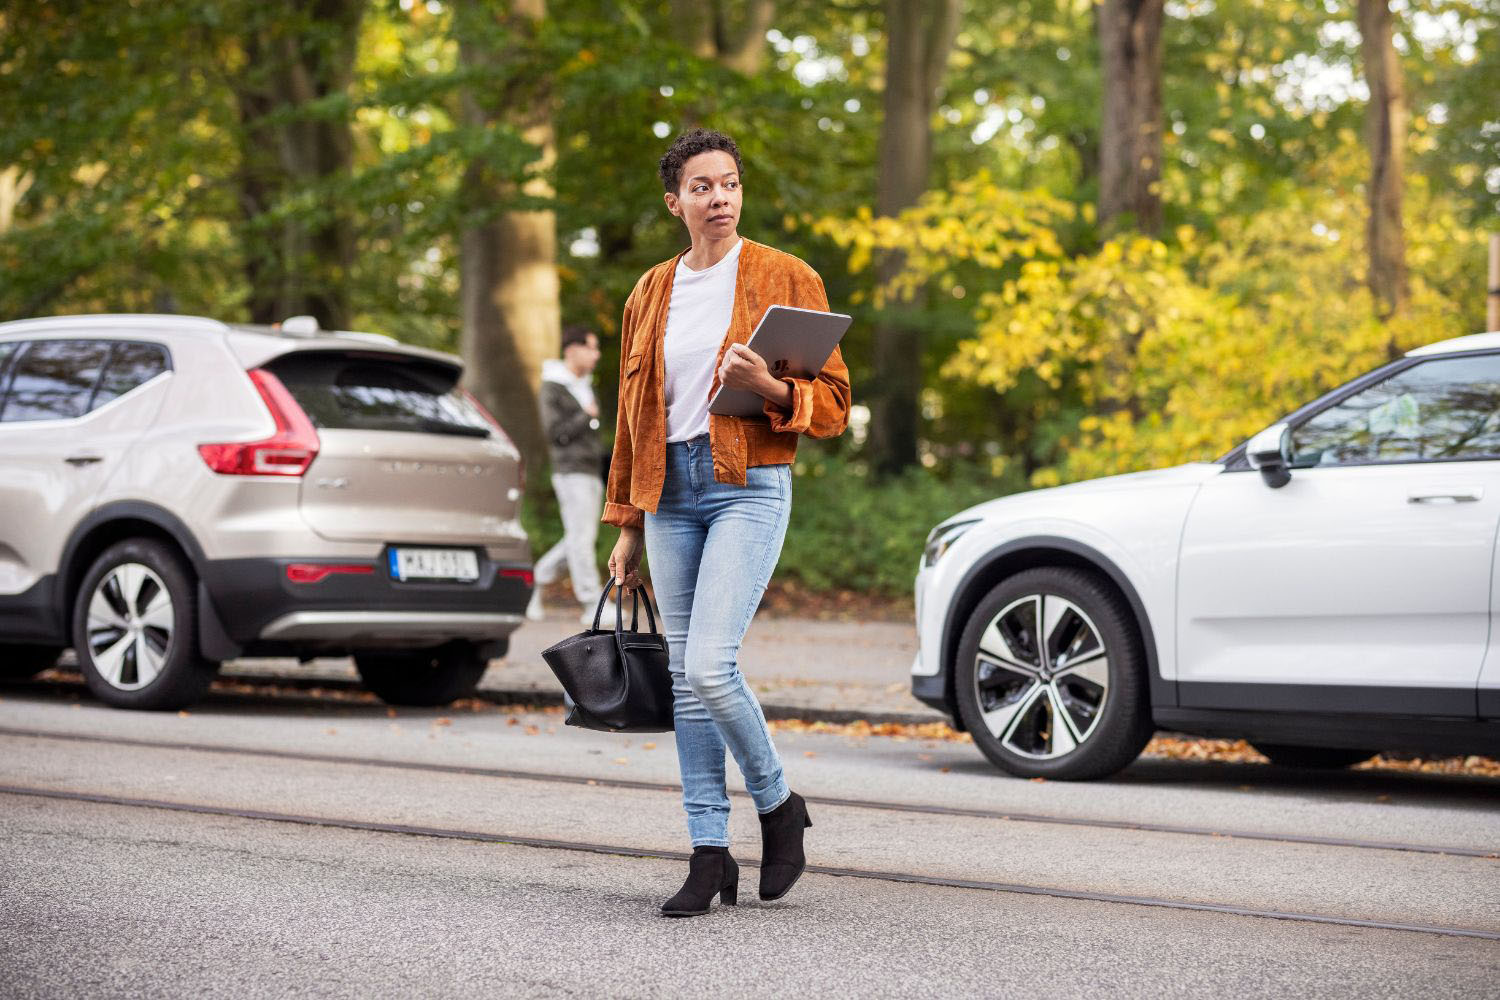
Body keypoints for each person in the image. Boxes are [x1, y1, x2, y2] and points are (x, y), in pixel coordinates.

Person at [603, 128, 851, 917]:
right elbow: (630, 419)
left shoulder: (787, 275)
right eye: (703, 186)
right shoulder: (649, 292)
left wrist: (772, 390)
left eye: (732, 183)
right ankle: (709, 853)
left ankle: (779, 805)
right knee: (683, 679)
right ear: (674, 202)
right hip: (667, 491)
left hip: (749, 483)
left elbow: (837, 407)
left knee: (710, 665)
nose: (721, 198)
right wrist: (627, 524)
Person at [530, 324, 614, 626]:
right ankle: (593, 604)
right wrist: (585, 415)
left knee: (578, 537)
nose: (596, 354)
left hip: (590, 471)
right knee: (581, 539)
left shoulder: (584, 384)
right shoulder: (553, 386)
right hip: (569, 471)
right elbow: (555, 433)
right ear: (571, 349)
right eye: (590, 347)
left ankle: (534, 580)